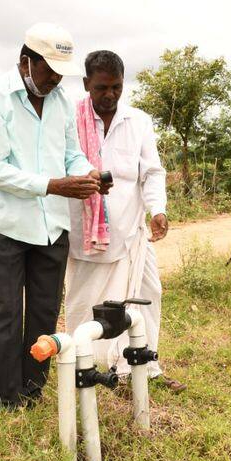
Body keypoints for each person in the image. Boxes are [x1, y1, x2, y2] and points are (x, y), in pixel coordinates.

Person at [0, 23, 110, 410]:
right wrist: (54, 185)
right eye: (47, 71)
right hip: (5, 223)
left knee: (45, 311)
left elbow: (71, 154)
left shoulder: (61, 101)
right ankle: (4, 397)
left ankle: (32, 389)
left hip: (52, 224)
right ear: (25, 61)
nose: (53, 80)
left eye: (60, 73)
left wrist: (87, 173)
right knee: (8, 313)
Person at [65, 50, 186, 393]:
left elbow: (151, 172)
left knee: (148, 294)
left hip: (132, 232)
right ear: (86, 83)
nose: (110, 95)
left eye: (117, 87)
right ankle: (85, 368)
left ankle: (145, 367)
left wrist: (157, 209)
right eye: (102, 87)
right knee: (84, 303)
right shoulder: (70, 120)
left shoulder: (138, 121)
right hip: (88, 236)